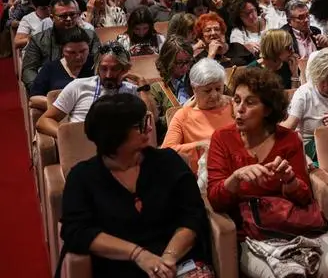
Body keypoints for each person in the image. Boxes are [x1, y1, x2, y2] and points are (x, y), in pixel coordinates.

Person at [206, 67, 328, 277]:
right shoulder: (222, 139)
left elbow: (303, 197)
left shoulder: (289, 139)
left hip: (294, 223)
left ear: (267, 109)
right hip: (253, 233)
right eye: (236, 100)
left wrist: (290, 180)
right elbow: (215, 198)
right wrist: (235, 178)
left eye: (250, 102)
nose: (239, 109)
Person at [60, 94, 212, 278]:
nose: (149, 128)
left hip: (174, 260)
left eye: (147, 120)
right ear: (114, 135)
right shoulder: (82, 177)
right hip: (118, 266)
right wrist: (138, 254)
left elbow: (192, 215)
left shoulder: (169, 162)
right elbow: (77, 231)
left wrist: (168, 258)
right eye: (139, 125)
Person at [36, 42, 152, 137]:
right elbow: (44, 121)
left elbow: (151, 121)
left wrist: (143, 87)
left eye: (115, 69)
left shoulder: (133, 90)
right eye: (103, 68)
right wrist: (69, 138)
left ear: (125, 69)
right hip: (83, 147)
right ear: (97, 67)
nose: (108, 75)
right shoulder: (78, 86)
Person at [283, 49, 328, 158]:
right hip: (311, 150)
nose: (326, 86)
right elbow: (289, 126)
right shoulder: (304, 93)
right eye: (321, 81)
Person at [161, 58, 233, 166]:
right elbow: (166, 152)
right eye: (207, 91)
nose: (214, 95)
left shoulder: (234, 106)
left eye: (218, 89)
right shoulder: (183, 115)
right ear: (194, 89)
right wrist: (199, 146)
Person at [22, 0, 101, 88]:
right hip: (51, 90)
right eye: (63, 16)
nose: (68, 19)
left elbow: (99, 62)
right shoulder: (38, 40)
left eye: (72, 14)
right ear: (52, 18)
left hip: (87, 86)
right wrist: (38, 88)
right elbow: (28, 70)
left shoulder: (90, 36)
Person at [30, 27, 95, 96]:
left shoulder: (96, 64)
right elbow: (34, 99)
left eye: (83, 51)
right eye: (72, 52)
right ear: (62, 51)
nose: (78, 56)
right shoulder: (50, 68)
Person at [149, 37, 195, 131]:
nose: (185, 66)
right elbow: (154, 125)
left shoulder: (197, 81)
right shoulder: (157, 88)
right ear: (167, 62)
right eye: (179, 63)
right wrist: (177, 114)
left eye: (187, 62)